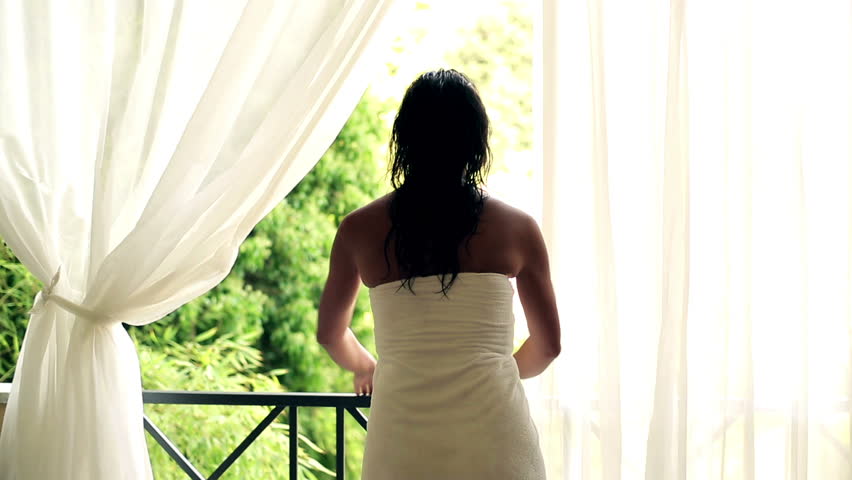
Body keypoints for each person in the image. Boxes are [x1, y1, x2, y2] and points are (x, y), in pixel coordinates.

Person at [317, 69, 560, 479]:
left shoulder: (358, 229)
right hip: (495, 435)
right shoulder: (518, 229)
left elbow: (330, 333)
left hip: (401, 437)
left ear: (405, 138)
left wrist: (365, 366)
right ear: (476, 142)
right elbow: (548, 346)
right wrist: (491, 372)